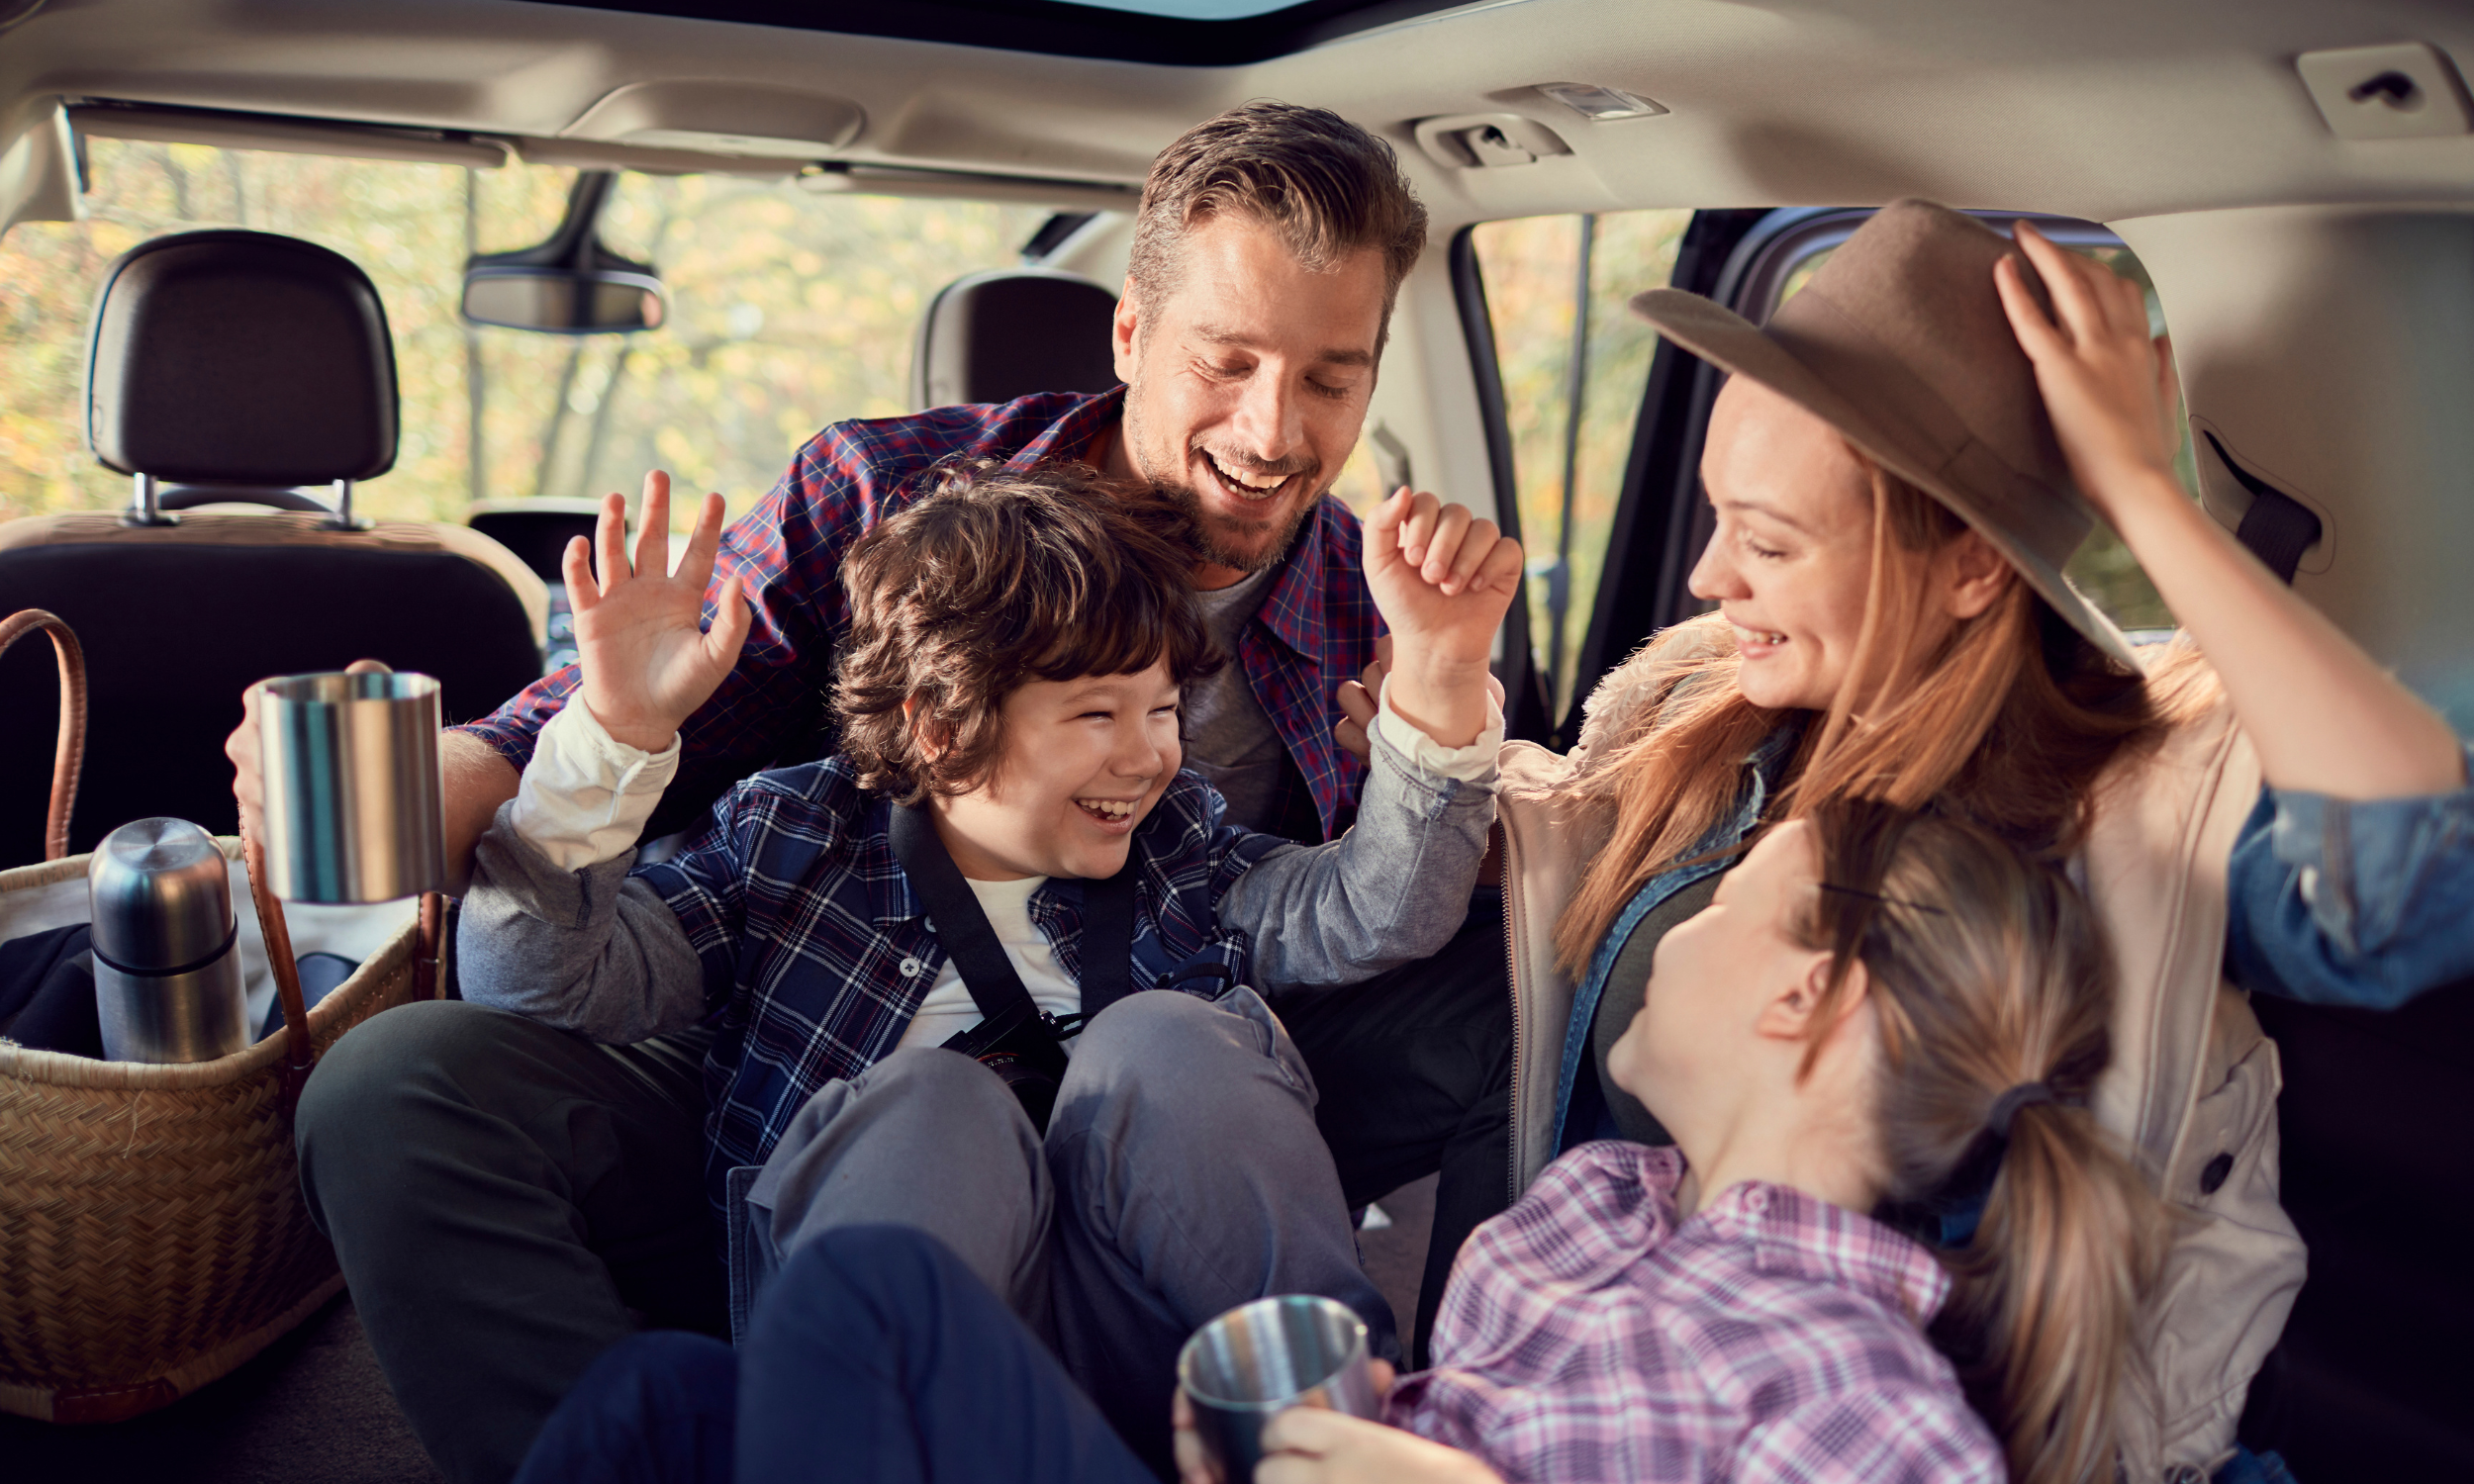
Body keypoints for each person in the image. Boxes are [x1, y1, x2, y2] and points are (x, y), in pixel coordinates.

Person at [252, 102, 1517, 1484]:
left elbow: (1372, 906)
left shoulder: (1367, 594)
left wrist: (1440, 714)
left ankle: (1391, 1424)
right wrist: (520, 754)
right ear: (1132, 338)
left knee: (1436, 1000)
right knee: (397, 1082)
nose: (1276, 429)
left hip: (1177, 1066)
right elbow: (668, 689)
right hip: (829, 1037)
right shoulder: (881, 510)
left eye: (1333, 379)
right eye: (1230, 362)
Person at [1491, 199, 2474, 1479]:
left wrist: (2136, 491)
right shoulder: (1697, 707)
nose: (1706, 578)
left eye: (1771, 540)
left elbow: (2419, 882)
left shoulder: (2139, 812)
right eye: (1716, 515)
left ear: (1968, 567)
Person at [508, 798, 2144, 1484]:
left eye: (1726, 898)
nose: (1671, 926)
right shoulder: (1605, 1203)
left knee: (871, 1306)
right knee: (658, 1401)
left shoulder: (1846, 1379)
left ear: (1808, 996)